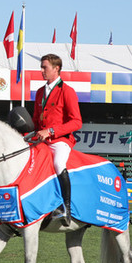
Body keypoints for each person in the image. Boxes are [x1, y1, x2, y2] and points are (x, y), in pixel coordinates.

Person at [32, 54, 82, 226]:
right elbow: (35, 121)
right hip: (42, 140)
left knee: (59, 164)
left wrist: (51, 131)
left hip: (60, 140)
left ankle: (65, 208)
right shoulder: (40, 92)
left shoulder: (67, 91)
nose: (41, 71)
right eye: (41, 67)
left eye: (44, 67)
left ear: (56, 69)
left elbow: (77, 122)